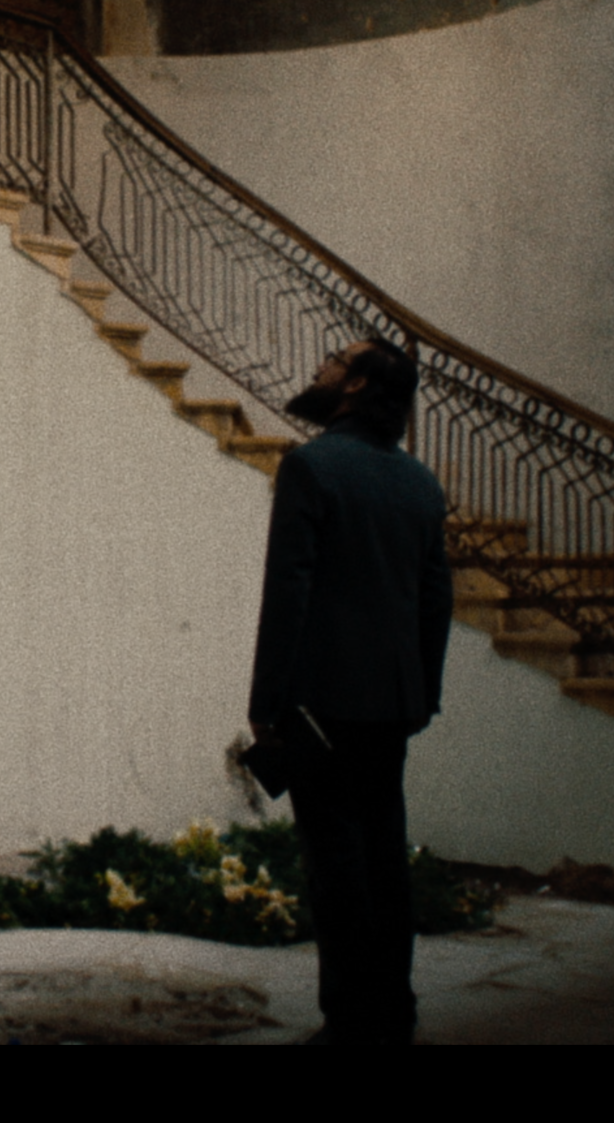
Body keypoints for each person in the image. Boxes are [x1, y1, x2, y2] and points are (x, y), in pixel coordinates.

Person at [247, 337, 451, 1046]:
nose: (322, 363)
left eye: (337, 357)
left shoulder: (311, 467)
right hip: (391, 703)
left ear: (359, 385)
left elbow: (289, 592)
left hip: (321, 703)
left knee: (336, 864)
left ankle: (350, 1022)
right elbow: (435, 599)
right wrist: (422, 692)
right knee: (385, 859)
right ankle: (393, 1012)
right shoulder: (420, 483)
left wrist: (265, 704)